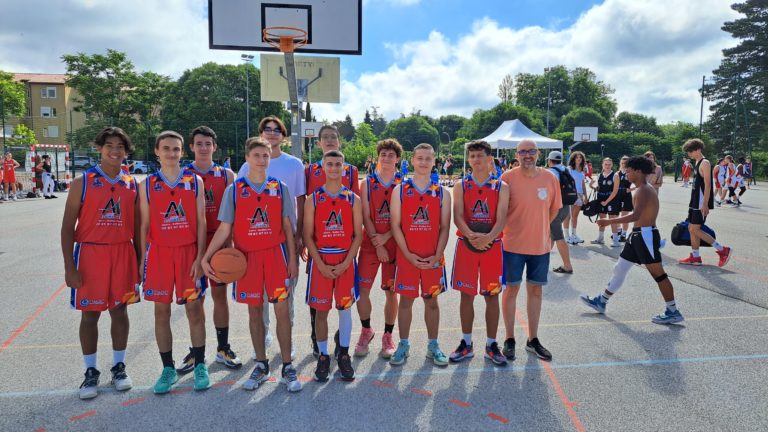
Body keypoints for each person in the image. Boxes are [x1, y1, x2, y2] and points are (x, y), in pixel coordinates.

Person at [202, 137, 301, 392]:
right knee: (255, 312)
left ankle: (287, 366)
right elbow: (224, 228)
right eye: (256, 155)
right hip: (248, 258)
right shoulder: (235, 190)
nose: (261, 160)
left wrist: (292, 259)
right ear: (247, 159)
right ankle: (261, 364)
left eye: (265, 155)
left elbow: (288, 228)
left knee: (282, 312)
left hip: (276, 256)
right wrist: (206, 256)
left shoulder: (279, 187)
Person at [61, 127, 140, 399]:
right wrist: (69, 267)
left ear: (126, 151)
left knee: (120, 311)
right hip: (90, 254)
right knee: (90, 314)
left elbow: (138, 228)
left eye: (120, 146)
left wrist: (139, 262)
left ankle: (119, 367)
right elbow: (67, 227)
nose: (115, 151)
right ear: (99, 148)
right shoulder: (82, 182)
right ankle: (90, 371)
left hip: (122, 252)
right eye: (109, 145)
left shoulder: (132, 184)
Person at [138, 131, 210, 394]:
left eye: (176, 149)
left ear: (182, 152)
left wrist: (200, 256)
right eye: (166, 148)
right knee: (161, 312)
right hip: (159, 254)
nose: (171, 153)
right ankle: (167, 368)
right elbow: (144, 225)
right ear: (157, 151)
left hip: (188, 253)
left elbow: (201, 221)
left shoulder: (194, 181)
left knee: (194, 310)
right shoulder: (147, 184)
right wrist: (141, 260)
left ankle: (200, 364)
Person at [581, 156, 684, 324]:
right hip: (637, 235)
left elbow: (635, 215)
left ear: (638, 171)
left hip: (645, 235)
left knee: (658, 274)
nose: (626, 173)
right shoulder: (641, 189)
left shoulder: (644, 190)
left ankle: (673, 311)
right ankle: (602, 301)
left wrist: (608, 221)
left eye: (628, 171)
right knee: (619, 268)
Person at [238, 116, 305, 359]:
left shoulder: (294, 164)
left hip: (285, 239)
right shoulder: (246, 167)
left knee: (285, 296)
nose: (272, 132)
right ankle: (264, 334)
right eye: (268, 128)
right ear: (261, 133)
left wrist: (300, 235)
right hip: (256, 240)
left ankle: (288, 341)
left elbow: (300, 201)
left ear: (283, 136)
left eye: (277, 130)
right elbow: (240, 206)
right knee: (259, 297)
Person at [177, 126, 241, 374]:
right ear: (191, 147)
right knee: (195, 300)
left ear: (215, 147)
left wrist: (230, 244)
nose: (203, 148)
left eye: (208, 144)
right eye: (199, 144)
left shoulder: (227, 175)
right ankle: (197, 351)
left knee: (220, 297)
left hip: (219, 242)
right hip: (193, 244)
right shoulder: (182, 175)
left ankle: (223, 348)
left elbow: (234, 214)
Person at [389, 143, 452, 367]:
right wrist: (407, 254)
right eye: (420, 158)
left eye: (428, 158)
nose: (424, 162)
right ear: (412, 161)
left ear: (434, 162)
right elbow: (395, 225)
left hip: (433, 257)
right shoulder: (400, 190)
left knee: (431, 302)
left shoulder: (442, 193)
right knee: (405, 301)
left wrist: (437, 254)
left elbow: (445, 227)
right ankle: (403, 344)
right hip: (407, 258)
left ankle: (433, 345)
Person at [303, 150, 363, 382]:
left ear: (344, 168)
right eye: (330, 164)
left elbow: (358, 235)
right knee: (321, 312)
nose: (334, 168)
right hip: (321, 260)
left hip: (345, 260)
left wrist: (347, 262)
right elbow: (308, 236)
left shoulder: (353, 199)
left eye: (338, 164)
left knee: (345, 309)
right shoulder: (313, 199)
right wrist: (319, 263)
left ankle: (344, 355)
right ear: (323, 167)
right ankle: (323, 356)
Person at [449, 140, 509, 366]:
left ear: (489, 159)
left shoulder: (501, 187)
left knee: (491, 296)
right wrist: (472, 236)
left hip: (493, 246)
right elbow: (458, 216)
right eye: (472, 156)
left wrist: (489, 238)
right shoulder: (461, 185)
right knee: (466, 295)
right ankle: (466, 343)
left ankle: (491, 344)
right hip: (467, 245)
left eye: (480, 155)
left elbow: (502, 218)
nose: (475, 160)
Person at [499, 139, 561, 362]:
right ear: (516, 155)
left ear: (538, 153)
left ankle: (533, 339)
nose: (527, 155)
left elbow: (554, 209)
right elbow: (500, 211)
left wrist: (540, 228)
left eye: (531, 151)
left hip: (540, 246)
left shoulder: (550, 178)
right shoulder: (507, 178)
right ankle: (509, 339)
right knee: (511, 290)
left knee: (535, 291)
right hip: (512, 245)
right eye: (523, 151)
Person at [355, 139, 404, 359]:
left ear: (397, 159)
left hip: (394, 244)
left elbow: (404, 219)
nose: (386, 158)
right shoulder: (367, 183)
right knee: (362, 291)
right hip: (370, 244)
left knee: (391, 292)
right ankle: (366, 330)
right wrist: (378, 242)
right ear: (378, 157)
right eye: (383, 154)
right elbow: (366, 215)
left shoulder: (403, 184)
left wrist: (386, 238)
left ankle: (388, 335)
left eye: (391, 155)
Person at [678, 139, 732, 267]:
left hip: (701, 202)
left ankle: (723, 250)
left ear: (698, 149)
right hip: (694, 200)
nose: (689, 154)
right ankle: (695, 257)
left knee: (694, 228)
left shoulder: (705, 163)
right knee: (691, 229)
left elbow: (708, 185)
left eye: (690, 151)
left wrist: (705, 204)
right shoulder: (697, 162)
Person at [547, 151, 574, 274]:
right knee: (551, 236)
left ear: (549, 160)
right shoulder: (565, 170)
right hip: (566, 207)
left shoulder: (550, 172)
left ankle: (567, 265)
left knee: (558, 236)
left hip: (555, 209)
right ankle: (543, 260)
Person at [590, 158, 621, 247]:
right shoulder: (599, 175)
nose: (607, 166)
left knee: (612, 220)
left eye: (609, 164)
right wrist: (591, 185)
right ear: (602, 165)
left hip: (611, 200)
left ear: (612, 165)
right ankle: (600, 238)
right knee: (602, 219)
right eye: (606, 164)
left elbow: (615, 191)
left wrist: (606, 202)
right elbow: (599, 188)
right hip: (601, 200)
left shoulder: (615, 175)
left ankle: (615, 240)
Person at [564, 151, 587, 244]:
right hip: (571, 194)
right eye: (577, 157)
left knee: (575, 216)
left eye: (580, 157)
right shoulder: (569, 169)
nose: (579, 159)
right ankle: (566, 236)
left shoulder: (582, 170)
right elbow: (566, 182)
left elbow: (582, 184)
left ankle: (574, 234)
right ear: (573, 159)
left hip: (580, 195)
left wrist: (585, 196)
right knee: (568, 216)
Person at [616, 156, 634, 242]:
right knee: (616, 215)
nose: (624, 165)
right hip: (617, 196)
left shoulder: (631, 172)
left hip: (626, 196)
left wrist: (630, 189)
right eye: (622, 163)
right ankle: (619, 230)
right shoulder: (617, 173)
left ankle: (624, 234)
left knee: (625, 216)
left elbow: (637, 184)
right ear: (620, 164)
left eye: (625, 163)